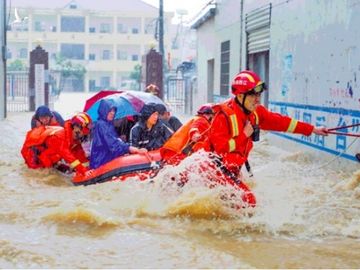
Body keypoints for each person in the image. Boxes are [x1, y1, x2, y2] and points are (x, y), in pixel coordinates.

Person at [208, 70, 329, 177]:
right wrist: (244, 135)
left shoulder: (256, 112)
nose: (257, 99)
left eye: (259, 95)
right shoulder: (223, 116)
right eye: (252, 95)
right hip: (216, 171)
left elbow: (282, 122)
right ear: (239, 96)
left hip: (232, 170)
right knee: (250, 201)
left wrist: (312, 129)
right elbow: (220, 149)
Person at [21, 112, 93, 175]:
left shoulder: (72, 137)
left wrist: (89, 164)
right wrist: (83, 171)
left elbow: (78, 154)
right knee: (44, 175)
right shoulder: (60, 137)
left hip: (48, 156)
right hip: (33, 157)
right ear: (76, 127)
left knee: (64, 168)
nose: (85, 134)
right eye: (84, 131)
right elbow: (68, 156)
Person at [90, 99, 147, 169]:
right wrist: (130, 148)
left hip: (106, 159)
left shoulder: (108, 124)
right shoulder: (101, 124)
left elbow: (113, 141)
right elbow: (113, 144)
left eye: (114, 110)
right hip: (101, 162)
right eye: (110, 110)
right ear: (104, 111)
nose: (112, 113)